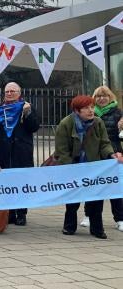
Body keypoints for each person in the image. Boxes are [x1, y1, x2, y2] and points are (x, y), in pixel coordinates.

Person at [56, 95, 123, 239]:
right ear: (77, 110)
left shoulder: (98, 122)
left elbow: (104, 143)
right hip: (74, 167)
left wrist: (111, 155)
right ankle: (69, 227)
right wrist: (70, 168)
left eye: (92, 107)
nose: (91, 110)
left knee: (96, 199)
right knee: (73, 200)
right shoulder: (65, 124)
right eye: (86, 108)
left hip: (94, 167)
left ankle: (97, 229)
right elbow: (62, 151)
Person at [0, 82, 39, 226]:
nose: (9, 94)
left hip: (21, 151)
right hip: (3, 151)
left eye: (12, 91)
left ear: (19, 93)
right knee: (6, 183)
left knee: (22, 183)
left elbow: (34, 127)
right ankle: (9, 213)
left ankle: (21, 213)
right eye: (7, 91)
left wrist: (27, 113)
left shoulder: (27, 107)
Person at [91, 86, 123, 231]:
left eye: (104, 96)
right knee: (93, 186)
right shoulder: (90, 112)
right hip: (95, 155)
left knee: (114, 187)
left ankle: (120, 218)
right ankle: (88, 215)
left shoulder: (118, 113)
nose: (101, 99)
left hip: (113, 153)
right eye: (98, 96)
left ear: (110, 97)